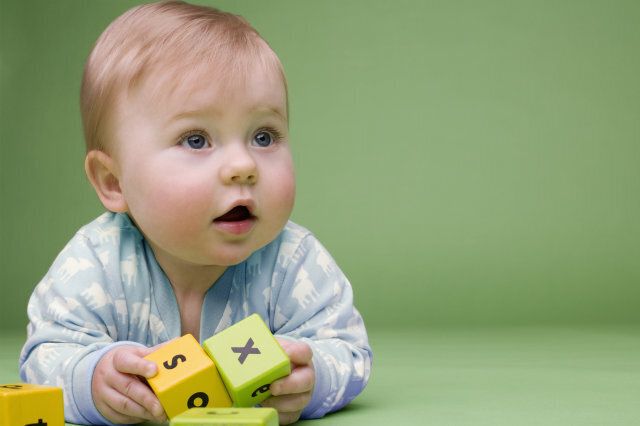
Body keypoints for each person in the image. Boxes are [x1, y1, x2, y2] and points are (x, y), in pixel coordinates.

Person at [18, 1, 372, 424]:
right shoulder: (95, 263)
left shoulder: (293, 261)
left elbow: (349, 350)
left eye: (263, 136)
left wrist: (312, 377)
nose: (243, 165)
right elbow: (44, 353)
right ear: (113, 182)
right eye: (196, 139)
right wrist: (91, 377)